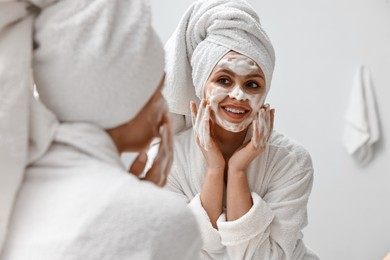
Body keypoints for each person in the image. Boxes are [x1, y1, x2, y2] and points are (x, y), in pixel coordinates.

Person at [0, 0, 201, 259]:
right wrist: (144, 206)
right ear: (127, 99)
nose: (164, 106)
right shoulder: (165, 222)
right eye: (156, 91)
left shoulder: (12, 196)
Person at [162, 0, 319, 259]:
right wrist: (215, 168)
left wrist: (237, 170)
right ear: (202, 84)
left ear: (265, 93)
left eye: (252, 85)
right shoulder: (167, 159)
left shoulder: (291, 161)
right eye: (224, 80)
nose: (239, 95)